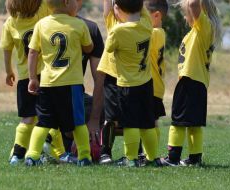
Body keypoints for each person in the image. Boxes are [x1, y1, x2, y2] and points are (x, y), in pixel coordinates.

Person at [24, 0, 94, 166]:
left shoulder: (41, 24)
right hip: (72, 84)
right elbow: (89, 48)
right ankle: (84, 156)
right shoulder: (78, 24)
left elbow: (33, 52)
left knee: (43, 122)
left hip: (48, 84)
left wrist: (32, 78)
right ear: (66, 2)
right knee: (78, 121)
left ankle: (32, 156)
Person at [0, 0, 64, 165]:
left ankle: (17, 154)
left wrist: (8, 71)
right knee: (51, 117)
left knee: (27, 118)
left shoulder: (10, 22)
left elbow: (7, 50)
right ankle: (59, 153)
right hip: (45, 75)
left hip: (24, 77)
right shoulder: (42, 12)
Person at [160, 0, 222, 167]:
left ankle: (172, 158)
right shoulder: (199, 31)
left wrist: (192, 5)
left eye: (185, 11)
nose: (185, 15)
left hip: (190, 81)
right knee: (194, 124)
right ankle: (194, 159)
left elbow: (194, 4)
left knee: (178, 121)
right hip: (198, 83)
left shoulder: (203, 27)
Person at [105, 0, 159, 167]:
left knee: (130, 125)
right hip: (146, 83)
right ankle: (152, 158)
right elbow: (140, 10)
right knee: (148, 123)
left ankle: (131, 159)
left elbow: (108, 49)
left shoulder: (118, 31)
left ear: (119, 9)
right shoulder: (146, 23)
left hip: (127, 85)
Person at [87, 0, 121, 165]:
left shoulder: (142, 25)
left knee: (136, 120)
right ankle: (105, 152)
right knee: (110, 118)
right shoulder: (113, 23)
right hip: (113, 78)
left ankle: (138, 153)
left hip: (134, 79)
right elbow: (107, 10)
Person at [143, 0, 168, 158]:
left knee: (150, 123)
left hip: (151, 86)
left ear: (156, 15)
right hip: (155, 86)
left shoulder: (155, 33)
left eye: (143, 14)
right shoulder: (159, 33)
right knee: (151, 121)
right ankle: (148, 154)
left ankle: (150, 156)